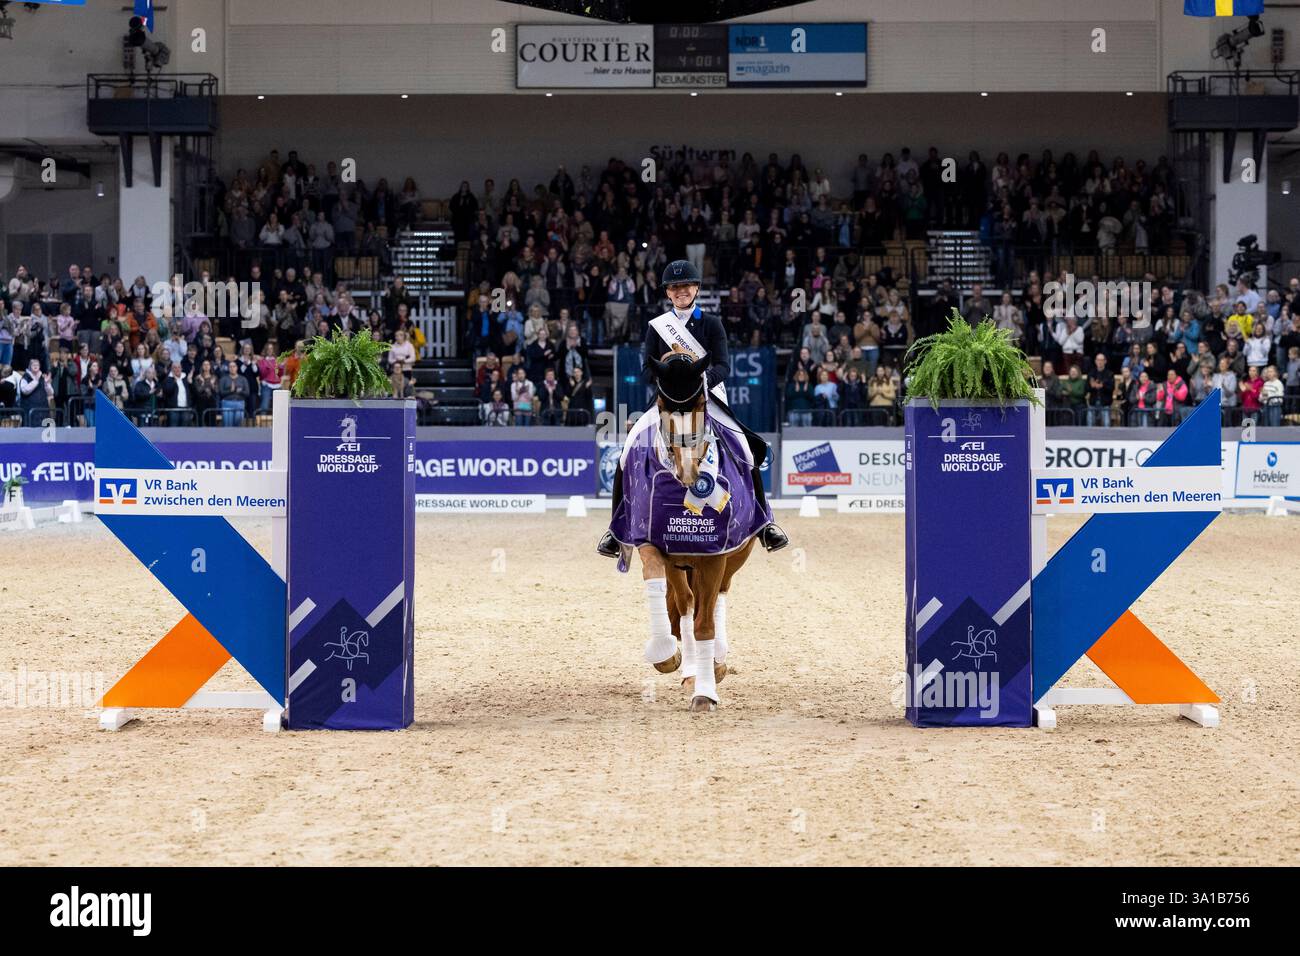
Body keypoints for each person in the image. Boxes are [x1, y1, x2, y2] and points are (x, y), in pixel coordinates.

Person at [597, 259, 786, 557]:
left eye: (685, 286)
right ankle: (615, 529)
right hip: (668, 397)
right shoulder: (657, 327)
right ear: (668, 293)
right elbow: (648, 368)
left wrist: (702, 381)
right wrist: (667, 379)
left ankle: (765, 524)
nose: (680, 291)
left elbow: (723, 365)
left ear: (696, 288)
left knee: (745, 449)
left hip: (706, 395)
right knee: (627, 450)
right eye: (674, 287)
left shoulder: (712, 324)